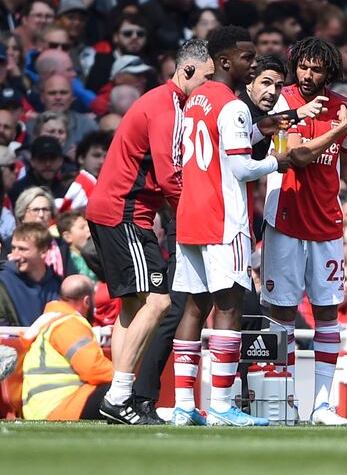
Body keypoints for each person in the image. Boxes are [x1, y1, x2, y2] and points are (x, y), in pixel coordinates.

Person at [259, 37, 347, 425]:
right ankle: (282, 398)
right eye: (303, 66)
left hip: (326, 222)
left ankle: (323, 405)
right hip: (284, 219)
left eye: (316, 69)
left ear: (329, 73)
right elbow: (299, 157)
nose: (307, 75)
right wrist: (338, 130)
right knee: (283, 310)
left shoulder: (345, 108)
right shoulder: (283, 102)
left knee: (326, 311)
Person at [170, 26, 301, 427]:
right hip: (223, 218)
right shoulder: (233, 106)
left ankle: (182, 406)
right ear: (225, 61)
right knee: (228, 307)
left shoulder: (194, 101)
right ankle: (223, 405)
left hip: (189, 216)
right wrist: (280, 162)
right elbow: (243, 167)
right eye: (246, 57)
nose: (251, 64)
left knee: (194, 307)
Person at [84, 38, 214, 425]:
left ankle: (117, 395)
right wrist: (197, 215)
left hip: (114, 210)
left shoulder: (160, 102)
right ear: (187, 71)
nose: (207, 88)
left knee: (133, 306)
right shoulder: (168, 108)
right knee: (159, 301)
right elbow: (169, 174)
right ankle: (121, 396)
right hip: (126, 213)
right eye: (206, 79)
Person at [20, 275, 113, 420]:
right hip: (61, 407)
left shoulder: (51, 321)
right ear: (87, 301)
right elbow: (93, 369)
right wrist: (126, 377)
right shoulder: (69, 323)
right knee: (121, 391)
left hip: (40, 408)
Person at [0, 223, 61, 327]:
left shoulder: (57, 284)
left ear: (43, 251)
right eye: (13, 248)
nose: (15, 256)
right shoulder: (3, 282)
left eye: (23, 249)